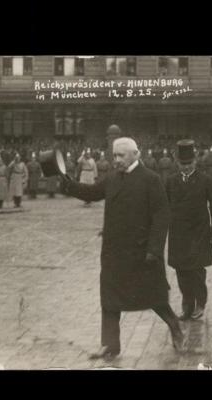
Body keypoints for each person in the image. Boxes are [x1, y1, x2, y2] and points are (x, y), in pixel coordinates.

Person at [59, 137, 185, 361]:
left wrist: (154, 249)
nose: (116, 160)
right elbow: (92, 193)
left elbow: (162, 215)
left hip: (141, 253)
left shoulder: (151, 180)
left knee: (154, 297)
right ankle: (110, 345)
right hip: (114, 251)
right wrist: (68, 184)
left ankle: (175, 327)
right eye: (114, 155)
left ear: (135, 154)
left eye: (121, 155)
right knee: (109, 298)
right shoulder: (113, 178)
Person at [164, 140, 212, 320]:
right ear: (177, 163)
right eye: (183, 164)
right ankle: (187, 305)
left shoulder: (205, 181)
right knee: (181, 271)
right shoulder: (170, 181)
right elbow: (163, 207)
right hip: (178, 234)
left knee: (197, 271)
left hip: (200, 233)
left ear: (195, 161)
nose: (186, 167)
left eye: (189, 163)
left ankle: (200, 303)